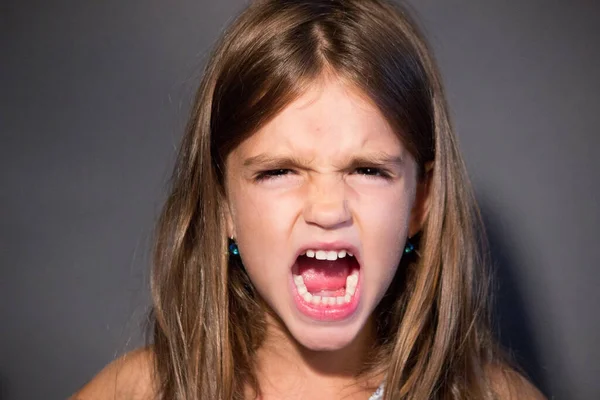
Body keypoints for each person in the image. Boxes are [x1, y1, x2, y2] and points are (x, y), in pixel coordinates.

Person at [73, 0, 546, 399]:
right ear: (222, 207)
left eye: (367, 170)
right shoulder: (134, 391)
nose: (327, 210)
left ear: (420, 203)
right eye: (279, 172)